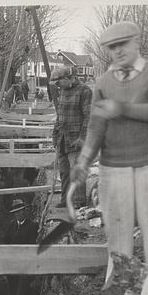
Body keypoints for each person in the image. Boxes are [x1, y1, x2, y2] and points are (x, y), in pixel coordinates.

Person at [71, 21, 148, 295]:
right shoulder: (103, 83)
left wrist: (121, 108)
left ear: (136, 43)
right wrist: (83, 161)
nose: (117, 51)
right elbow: (95, 127)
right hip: (113, 168)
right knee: (117, 235)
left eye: (122, 45)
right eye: (112, 48)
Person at [51, 66, 92, 208]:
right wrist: (55, 134)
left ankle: (79, 201)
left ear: (67, 78)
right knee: (64, 172)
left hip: (75, 139)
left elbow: (88, 117)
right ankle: (65, 199)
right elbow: (60, 115)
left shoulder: (84, 91)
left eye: (58, 83)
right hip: (63, 138)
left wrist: (82, 138)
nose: (57, 86)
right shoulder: (62, 90)